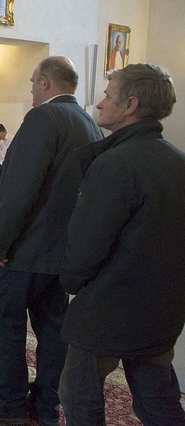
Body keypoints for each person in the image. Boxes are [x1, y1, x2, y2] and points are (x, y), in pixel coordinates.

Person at [0, 57, 103, 425]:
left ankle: (8, 401)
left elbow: (21, 187)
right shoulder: (89, 122)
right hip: (61, 250)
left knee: (4, 318)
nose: (30, 89)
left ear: (44, 82)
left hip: (25, 250)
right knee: (53, 327)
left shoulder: (43, 118)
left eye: (31, 82)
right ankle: (45, 404)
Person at [58, 64, 185, 424]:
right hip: (163, 306)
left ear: (129, 104)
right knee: (157, 395)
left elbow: (86, 244)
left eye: (106, 96)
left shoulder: (114, 164)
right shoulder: (178, 161)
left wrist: (70, 281)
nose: (99, 104)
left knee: (77, 393)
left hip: (109, 307)